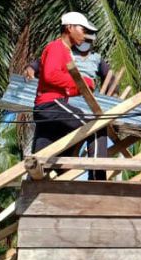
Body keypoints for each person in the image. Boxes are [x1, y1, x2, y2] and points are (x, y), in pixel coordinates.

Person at [30, 11, 107, 180]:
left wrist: (81, 87)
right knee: (96, 127)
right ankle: (98, 180)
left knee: (40, 160)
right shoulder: (56, 47)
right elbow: (50, 75)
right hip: (51, 105)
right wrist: (83, 82)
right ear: (69, 27)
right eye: (82, 29)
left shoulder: (65, 52)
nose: (85, 35)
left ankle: (35, 186)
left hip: (47, 110)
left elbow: (62, 86)